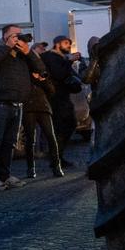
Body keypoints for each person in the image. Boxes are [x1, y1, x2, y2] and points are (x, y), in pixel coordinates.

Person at [0, 24, 46, 191]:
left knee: (9, 143)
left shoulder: (23, 56)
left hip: (18, 105)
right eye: (15, 35)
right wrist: (7, 47)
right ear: (5, 37)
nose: (19, 37)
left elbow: (41, 69)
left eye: (20, 34)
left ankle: (5, 175)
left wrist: (28, 52)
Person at [41, 36, 81, 170]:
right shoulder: (50, 57)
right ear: (57, 44)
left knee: (68, 126)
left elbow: (71, 75)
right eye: (66, 43)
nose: (69, 46)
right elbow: (59, 74)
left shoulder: (61, 58)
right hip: (55, 99)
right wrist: (69, 61)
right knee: (61, 128)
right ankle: (55, 159)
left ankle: (57, 157)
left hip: (63, 97)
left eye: (69, 44)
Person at [22, 68, 63, 179]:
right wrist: (33, 78)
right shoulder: (24, 74)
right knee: (30, 139)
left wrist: (42, 79)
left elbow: (52, 91)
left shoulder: (43, 75)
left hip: (43, 108)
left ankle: (56, 166)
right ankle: (30, 168)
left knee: (51, 136)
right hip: (29, 108)